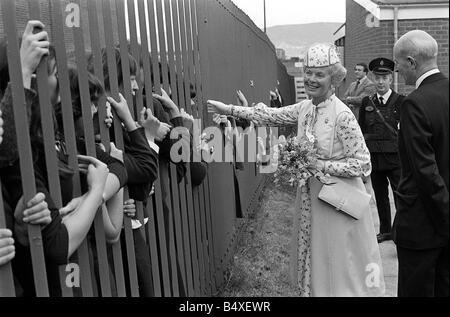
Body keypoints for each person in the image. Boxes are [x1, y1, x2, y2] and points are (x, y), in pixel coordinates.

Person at [208, 43, 384, 297]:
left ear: (333, 78)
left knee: (336, 261)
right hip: (311, 198)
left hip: (336, 203)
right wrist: (229, 110)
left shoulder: (342, 115)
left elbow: (363, 163)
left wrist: (319, 165)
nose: (312, 79)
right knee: (314, 256)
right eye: (309, 72)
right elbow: (271, 115)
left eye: (319, 74)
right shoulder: (305, 108)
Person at [0, 20, 111, 296]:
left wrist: (94, 193)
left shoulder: (50, 131)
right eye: (51, 72)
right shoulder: (18, 150)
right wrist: (96, 190)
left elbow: (117, 166)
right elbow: (57, 244)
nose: (59, 80)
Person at [393, 30, 449, 297]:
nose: (398, 71)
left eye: (399, 64)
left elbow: (425, 171)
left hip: (424, 226)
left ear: (412, 62)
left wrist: (445, 216)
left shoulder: (415, 103)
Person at [359, 57, 404, 243]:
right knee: (380, 197)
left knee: (400, 198)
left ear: (391, 79)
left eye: (384, 78)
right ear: (372, 78)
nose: (380, 82)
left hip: (395, 160)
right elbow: (361, 131)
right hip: (375, 158)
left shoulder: (401, 101)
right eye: (377, 77)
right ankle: (385, 230)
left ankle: (400, 231)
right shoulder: (366, 102)